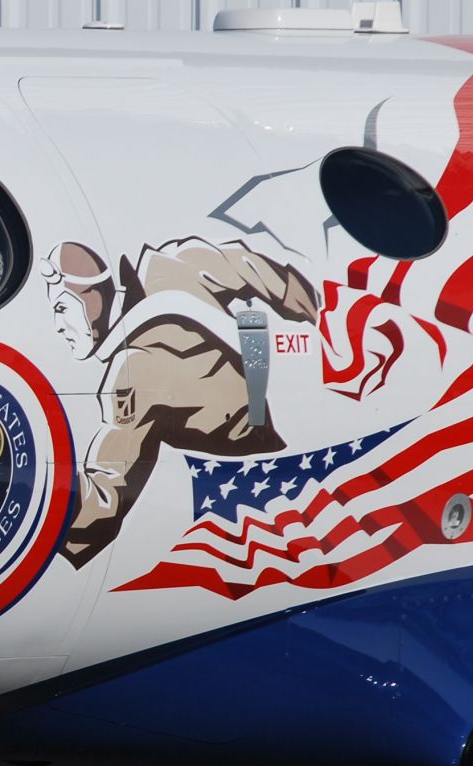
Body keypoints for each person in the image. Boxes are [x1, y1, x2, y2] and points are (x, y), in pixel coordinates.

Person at [41, 237, 318, 568]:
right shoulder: (171, 263)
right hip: (280, 454)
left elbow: (103, 502)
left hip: (261, 487)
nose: (58, 325)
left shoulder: (134, 372)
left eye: (61, 307)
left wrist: (43, 494)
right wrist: (312, 311)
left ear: (93, 299)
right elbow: (247, 265)